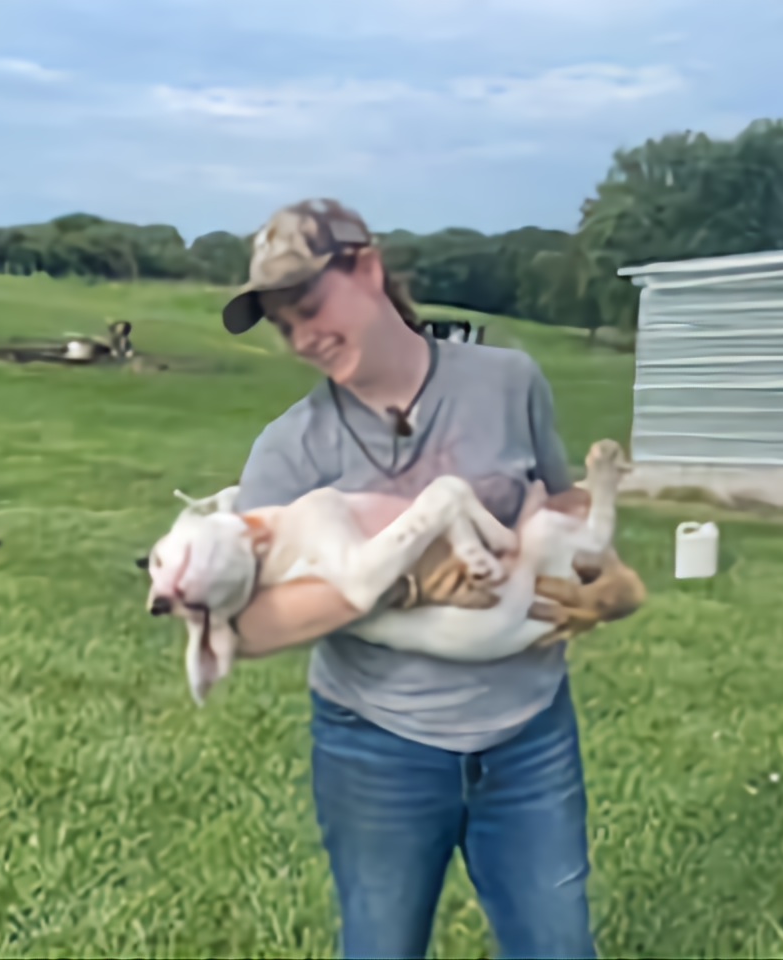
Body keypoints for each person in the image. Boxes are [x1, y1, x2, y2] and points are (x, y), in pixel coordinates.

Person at [222, 198, 597, 960]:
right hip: (378, 747)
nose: (303, 338)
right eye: (285, 325)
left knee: (558, 947)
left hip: (531, 735)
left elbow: (563, 501)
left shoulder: (507, 382)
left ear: (367, 267)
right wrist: (396, 580)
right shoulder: (292, 448)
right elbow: (245, 624)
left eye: (309, 307)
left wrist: (602, 574)